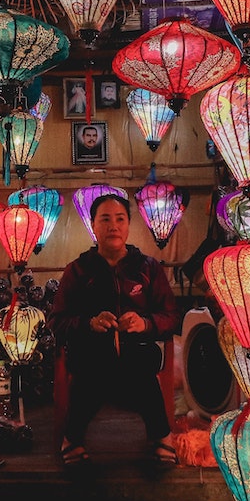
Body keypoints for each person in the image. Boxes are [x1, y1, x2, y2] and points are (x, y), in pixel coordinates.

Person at [49, 192, 182, 467]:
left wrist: (145, 323)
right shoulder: (78, 271)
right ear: (93, 226)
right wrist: (89, 323)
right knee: (96, 361)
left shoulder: (148, 268)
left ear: (128, 225)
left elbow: (171, 316)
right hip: (90, 352)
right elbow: (57, 320)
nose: (113, 226)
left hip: (140, 351)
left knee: (138, 362)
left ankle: (161, 437)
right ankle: (73, 438)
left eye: (120, 218)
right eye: (105, 219)